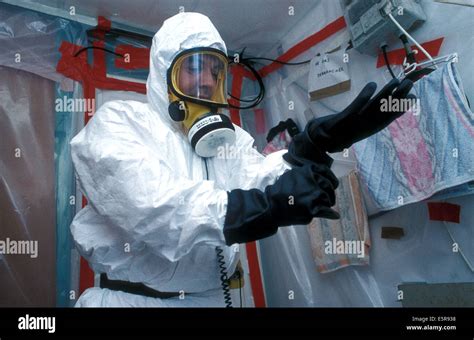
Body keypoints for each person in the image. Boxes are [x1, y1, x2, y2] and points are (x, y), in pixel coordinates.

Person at [70, 12, 414, 307]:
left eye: (214, 72)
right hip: (134, 300)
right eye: (193, 67)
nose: (206, 81)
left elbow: (259, 178)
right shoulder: (119, 124)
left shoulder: (228, 141)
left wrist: (309, 149)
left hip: (210, 299)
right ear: (164, 77)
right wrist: (266, 207)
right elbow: (156, 207)